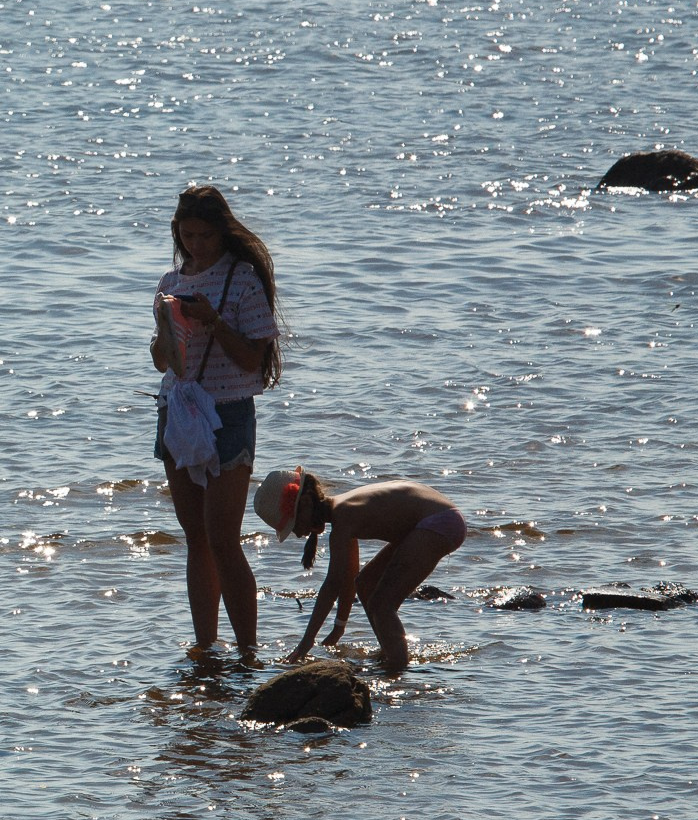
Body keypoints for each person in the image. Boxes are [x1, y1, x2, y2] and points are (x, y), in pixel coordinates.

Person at [148, 186, 281, 659]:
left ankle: (248, 650)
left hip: (228, 410)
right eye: (188, 236)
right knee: (195, 537)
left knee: (224, 538)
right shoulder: (170, 280)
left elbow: (253, 361)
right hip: (179, 408)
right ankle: (205, 645)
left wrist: (215, 323)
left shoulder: (242, 280)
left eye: (205, 235)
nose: (197, 245)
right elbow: (164, 362)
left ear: (223, 232)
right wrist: (168, 328)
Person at [256, 468, 466, 675]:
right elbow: (350, 577)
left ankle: (398, 670)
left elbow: (332, 584)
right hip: (434, 520)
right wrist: (340, 626)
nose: (298, 533)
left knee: (382, 604)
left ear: (307, 503)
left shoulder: (343, 516)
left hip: (439, 522)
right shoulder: (343, 513)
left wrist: (306, 643)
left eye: (293, 524)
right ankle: (388, 652)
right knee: (366, 584)